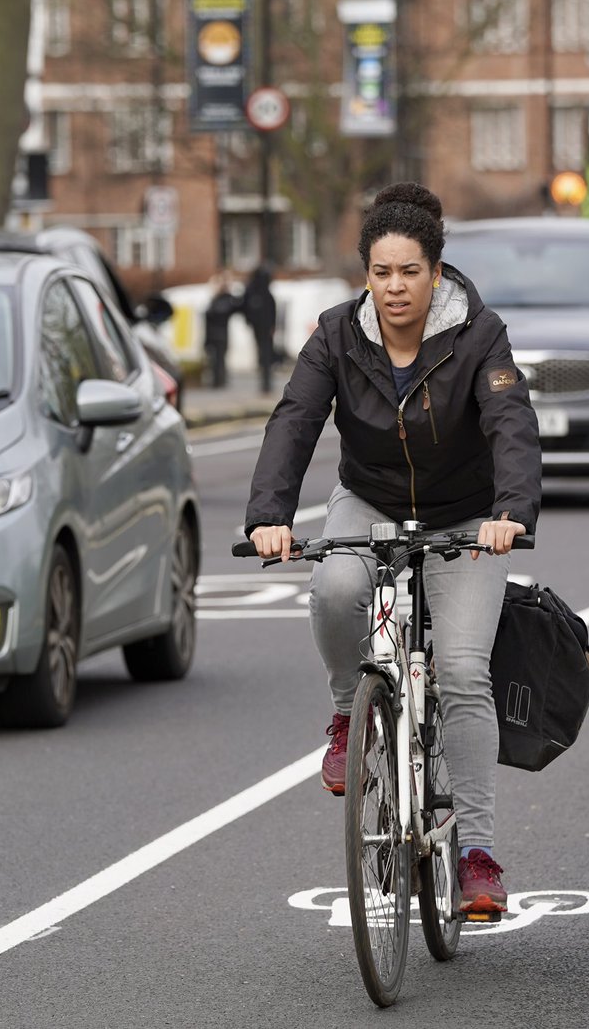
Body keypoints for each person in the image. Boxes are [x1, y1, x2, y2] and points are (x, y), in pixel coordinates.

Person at [243, 182, 541, 915]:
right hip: (370, 498)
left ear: (435, 273)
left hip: (467, 516)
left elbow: (510, 419)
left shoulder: (479, 333)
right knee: (337, 590)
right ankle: (350, 714)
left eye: (410, 272)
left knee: (465, 671)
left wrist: (510, 510)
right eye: (381, 273)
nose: (395, 287)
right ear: (365, 275)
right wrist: (269, 515)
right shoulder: (337, 334)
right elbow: (295, 419)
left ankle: (476, 855)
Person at [242, 261, 277, 393]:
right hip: (264, 328)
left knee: (264, 355)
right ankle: (266, 384)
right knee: (265, 355)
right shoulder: (263, 293)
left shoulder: (253, 291)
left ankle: (266, 384)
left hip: (261, 327)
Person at [203, 272, 240, 389]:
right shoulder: (216, 300)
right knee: (216, 359)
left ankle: (219, 381)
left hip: (219, 334)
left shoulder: (225, 300)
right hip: (215, 334)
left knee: (219, 359)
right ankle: (218, 380)